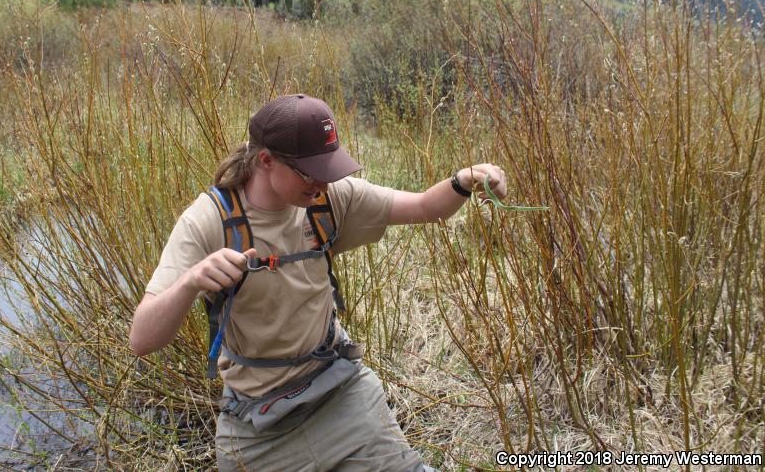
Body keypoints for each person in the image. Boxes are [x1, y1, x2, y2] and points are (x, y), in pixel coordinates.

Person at [129, 94, 507, 471]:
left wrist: (463, 181)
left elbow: (426, 207)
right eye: (310, 172)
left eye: (328, 170)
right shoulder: (208, 221)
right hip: (258, 426)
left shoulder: (328, 201)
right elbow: (141, 339)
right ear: (266, 160)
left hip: (342, 394)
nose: (322, 185)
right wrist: (191, 282)